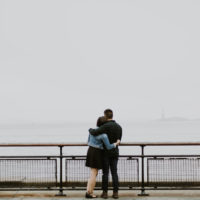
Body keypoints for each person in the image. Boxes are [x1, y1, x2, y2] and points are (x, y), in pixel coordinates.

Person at [89, 109, 122, 199]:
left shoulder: (105, 126)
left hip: (105, 153)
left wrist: (90, 129)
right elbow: (119, 140)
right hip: (115, 152)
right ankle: (115, 193)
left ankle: (105, 193)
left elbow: (94, 132)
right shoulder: (119, 127)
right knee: (114, 173)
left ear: (105, 116)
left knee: (105, 173)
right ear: (112, 115)